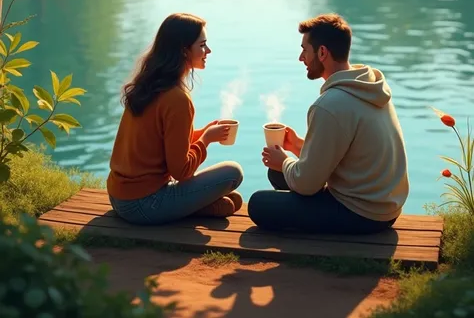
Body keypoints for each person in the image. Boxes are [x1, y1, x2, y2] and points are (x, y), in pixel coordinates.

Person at [248, 14, 409, 234]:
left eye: (305, 50)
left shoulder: (329, 105)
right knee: (277, 173)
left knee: (258, 204)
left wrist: (285, 160)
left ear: (322, 52)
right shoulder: (367, 86)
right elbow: (348, 152)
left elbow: (306, 184)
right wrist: (296, 146)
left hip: (361, 213)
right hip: (387, 206)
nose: (300, 57)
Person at [107, 13, 243, 225]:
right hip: (144, 203)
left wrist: (199, 133)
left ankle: (197, 206)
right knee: (232, 173)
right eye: (203, 45)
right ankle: (193, 207)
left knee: (232, 201)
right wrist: (205, 140)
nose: (208, 51)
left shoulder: (148, 85)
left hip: (118, 196)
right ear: (184, 50)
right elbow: (181, 171)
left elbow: (162, 142)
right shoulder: (178, 100)